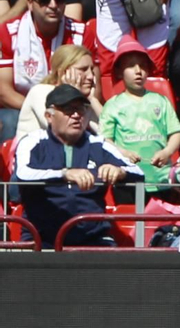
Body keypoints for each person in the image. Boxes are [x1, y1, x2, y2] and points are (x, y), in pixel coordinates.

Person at [15, 82, 142, 247]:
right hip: (41, 237)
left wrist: (119, 171)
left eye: (80, 109)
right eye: (68, 109)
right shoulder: (32, 142)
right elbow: (22, 174)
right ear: (49, 116)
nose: (76, 115)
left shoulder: (98, 143)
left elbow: (138, 172)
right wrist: (64, 174)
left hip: (93, 237)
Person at [0, 0, 81, 140]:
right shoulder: (8, 33)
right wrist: (41, 108)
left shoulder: (81, 33)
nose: (53, 5)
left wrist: (61, 111)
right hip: (22, 107)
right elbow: (3, 91)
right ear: (30, 3)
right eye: (44, 0)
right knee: (8, 120)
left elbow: (94, 89)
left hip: (72, 108)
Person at [100, 39, 180, 183]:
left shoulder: (160, 101)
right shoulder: (112, 105)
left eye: (143, 66)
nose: (138, 71)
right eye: (131, 66)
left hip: (160, 177)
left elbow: (176, 132)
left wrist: (167, 152)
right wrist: (122, 153)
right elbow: (105, 140)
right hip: (127, 177)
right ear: (119, 72)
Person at [15, 44, 100, 136]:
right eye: (83, 69)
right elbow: (64, 129)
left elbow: (109, 133)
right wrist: (71, 93)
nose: (91, 76)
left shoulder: (86, 100)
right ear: (63, 72)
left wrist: (92, 100)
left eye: (91, 70)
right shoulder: (40, 91)